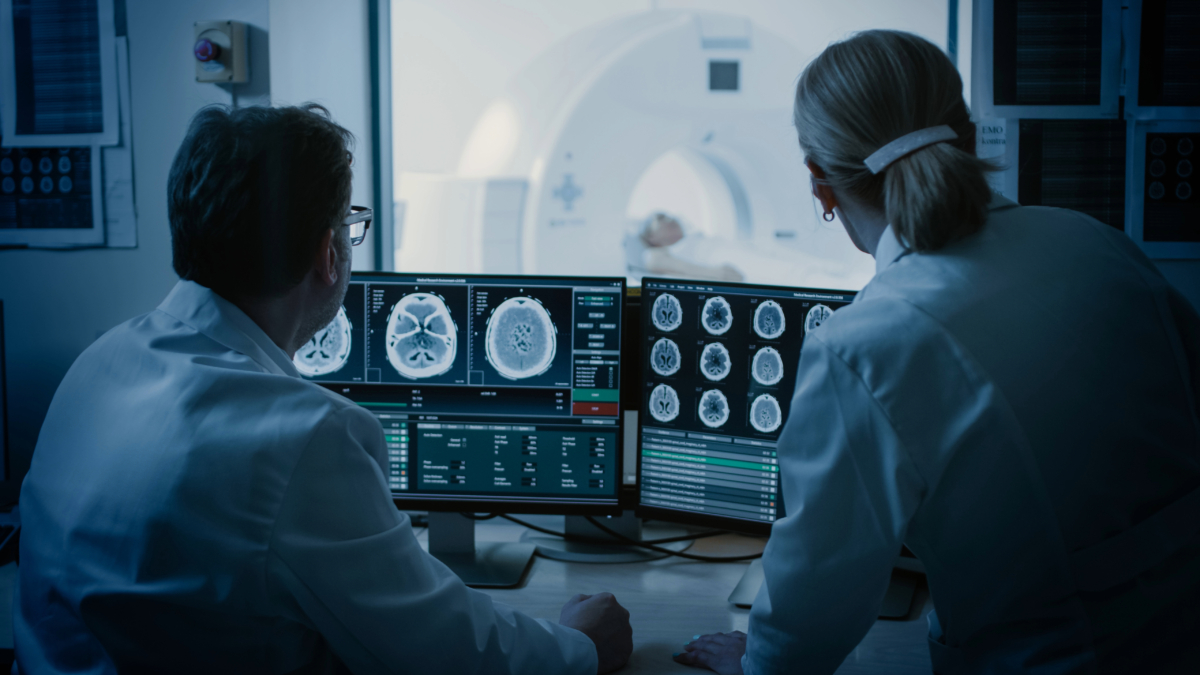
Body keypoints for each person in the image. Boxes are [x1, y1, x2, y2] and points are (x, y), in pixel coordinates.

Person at [15, 104, 632, 674]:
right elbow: (443, 651)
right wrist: (578, 644)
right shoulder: (303, 436)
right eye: (349, 225)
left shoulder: (99, 364)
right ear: (326, 253)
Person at [675, 30, 1200, 675]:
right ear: (970, 139)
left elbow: (813, 601)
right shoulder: (1098, 243)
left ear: (821, 186)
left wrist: (756, 662)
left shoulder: (864, 345)